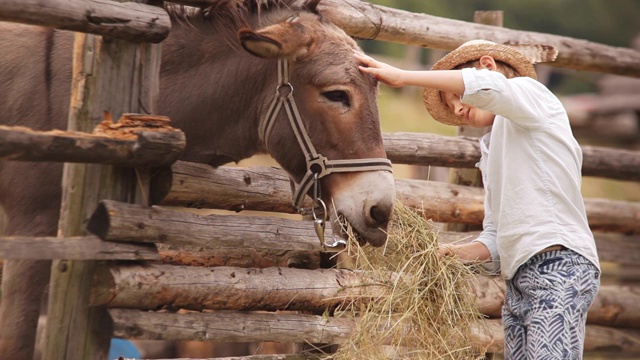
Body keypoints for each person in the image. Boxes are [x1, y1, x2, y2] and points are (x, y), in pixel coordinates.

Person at [356, 40, 600, 359]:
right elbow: (496, 240)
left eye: (457, 96)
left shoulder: (533, 94)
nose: (458, 109)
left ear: (488, 66)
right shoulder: (494, 150)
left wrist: (403, 76)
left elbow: (489, 88)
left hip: (558, 263)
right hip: (519, 277)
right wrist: (446, 255)